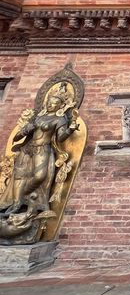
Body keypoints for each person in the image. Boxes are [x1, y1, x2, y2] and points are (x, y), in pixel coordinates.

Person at [0, 83, 78, 218]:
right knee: (19, 176)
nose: (50, 105)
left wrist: (71, 128)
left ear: (60, 106)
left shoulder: (59, 119)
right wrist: (27, 128)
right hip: (27, 149)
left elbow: (61, 138)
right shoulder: (37, 117)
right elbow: (18, 136)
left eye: (54, 103)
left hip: (43, 149)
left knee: (40, 176)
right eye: (49, 102)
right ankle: (16, 203)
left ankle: (24, 195)